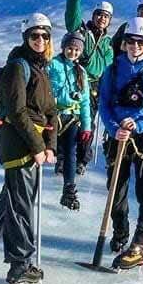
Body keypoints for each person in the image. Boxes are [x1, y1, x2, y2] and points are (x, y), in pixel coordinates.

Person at [0, 13, 57, 284]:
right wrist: (37, 146)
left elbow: (51, 111)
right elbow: (17, 110)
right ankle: (19, 264)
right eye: (35, 35)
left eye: (45, 35)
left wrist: (51, 146)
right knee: (20, 204)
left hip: (34, 142)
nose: (40, 40)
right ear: (26, 37)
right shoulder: (18, 66)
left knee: (13, 199)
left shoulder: (41, 67)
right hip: (19, 143)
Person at [98, 17, 143, 270]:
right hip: (118, 137)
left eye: (140, 42)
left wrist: (138, 125)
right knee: (116, 187)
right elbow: (103, 104)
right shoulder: (113, 69)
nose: (135, 46)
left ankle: (140, 244)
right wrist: (115, 128)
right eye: (130, 41)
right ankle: (120, 231)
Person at [64, 0, 114, 175]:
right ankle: (64, 156)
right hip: (76, 81)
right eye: (99, 15)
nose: (102, 19)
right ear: (93, 16)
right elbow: (71, 18)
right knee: (69, 118)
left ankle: (82, 158)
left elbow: (108, 65)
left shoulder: (107, 42)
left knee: (88, 122)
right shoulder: (82, 32)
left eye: (106, 16)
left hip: (94, 87)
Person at [48, 31, 92, 210]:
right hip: (53, 116)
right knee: (52, 150)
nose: (73, 52)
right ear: (63, 47)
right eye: (70, 48)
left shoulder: (81, 72)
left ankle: (69, 189)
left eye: (76, 50)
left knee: (72, 152)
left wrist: (86, 125)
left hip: (72, 118)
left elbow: (85, 100)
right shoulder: (52, 64)